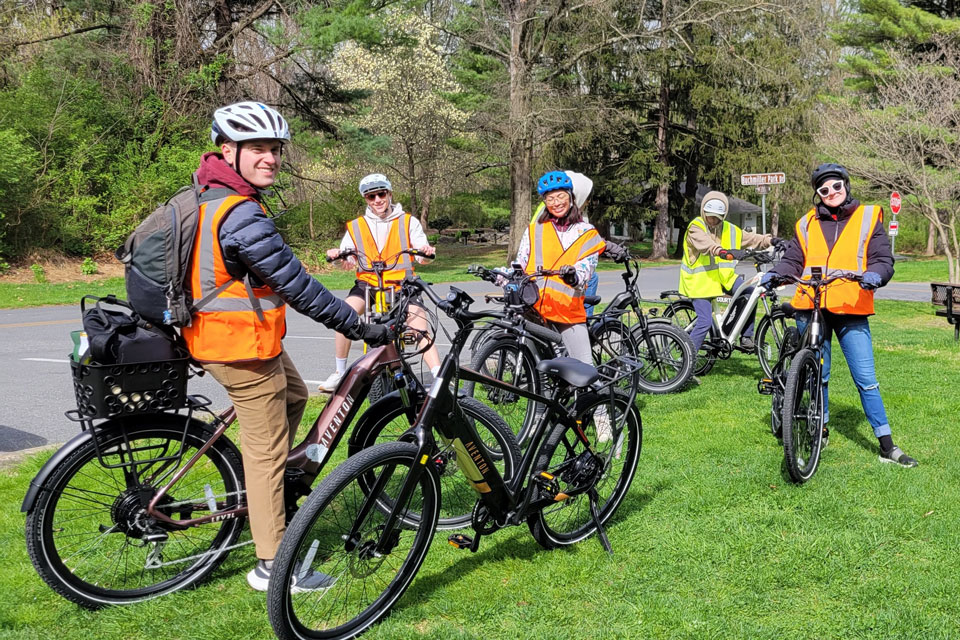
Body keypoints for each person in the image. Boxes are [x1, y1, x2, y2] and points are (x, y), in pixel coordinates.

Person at [182, 101, 389, 591]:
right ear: (227, 150)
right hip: (237, 349)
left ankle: (274, 488)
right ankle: (274, 565)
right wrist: (361, 327)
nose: (271, 157)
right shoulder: (239, 212)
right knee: (267, 452)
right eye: (258, 148)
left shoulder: (210, 194)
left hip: (243, 341)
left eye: (275, 149)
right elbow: (297, 285)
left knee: (297, 396)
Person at [764, 163, 917, 467]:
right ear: (817, 195)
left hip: (851, 305)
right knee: (819, 376)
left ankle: (886, 444)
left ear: (846, 186)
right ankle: (819, 428)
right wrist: (776, 274)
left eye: (836, 186)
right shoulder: (806, 223)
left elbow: (882, 259)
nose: (831, 193)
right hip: (811, 303)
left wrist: (875, 274)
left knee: (866, 379)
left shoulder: (868, 217)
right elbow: (794, 260)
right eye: (823, 190)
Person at [319, 173, 439, 391]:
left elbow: (423, 256)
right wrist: (338, 257)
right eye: (371, 196)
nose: (377, 200)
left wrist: (426, 251)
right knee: (343, 314)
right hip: (368, 284)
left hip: (402, 283)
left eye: (381, 194)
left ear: (389, 194)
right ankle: (339, 372)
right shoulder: (356, 226)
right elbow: (348, 258)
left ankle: (438, 375)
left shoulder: (407, 221)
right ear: (366, 199)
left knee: (418, 324)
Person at [517, 170, 606, 364]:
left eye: (560, 196)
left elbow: (586, 267)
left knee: (584, 370)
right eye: (550, 199)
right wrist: (505, 274)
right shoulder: (534, 230)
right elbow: (521, 261)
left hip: (568, 312)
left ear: (571, 198)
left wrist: (574, 276)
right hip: (535, 310)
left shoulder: (586, 232)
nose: (556, 203)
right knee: (538, 368)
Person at [679, 190, 780, 354]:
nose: (712, 220)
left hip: (724, 279)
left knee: (750, 293)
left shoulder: (729, 229)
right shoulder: (696, 227)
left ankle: (746, 337)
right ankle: (687, 362)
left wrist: (771, 240)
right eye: (709, 215)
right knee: (704, 322)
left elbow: (752, 239)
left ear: (723, 215)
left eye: (717, 217)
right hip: (700, 283)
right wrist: (723, 252)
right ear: (703, 211)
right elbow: (706, 244)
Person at [531, 171, 601, 315]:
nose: (587, 203)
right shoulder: (561, 214)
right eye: (587, 199)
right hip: (549, 271)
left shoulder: (548, 208)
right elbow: (572, 238)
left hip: (544, 269)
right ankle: (585, 318)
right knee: (591, 278)